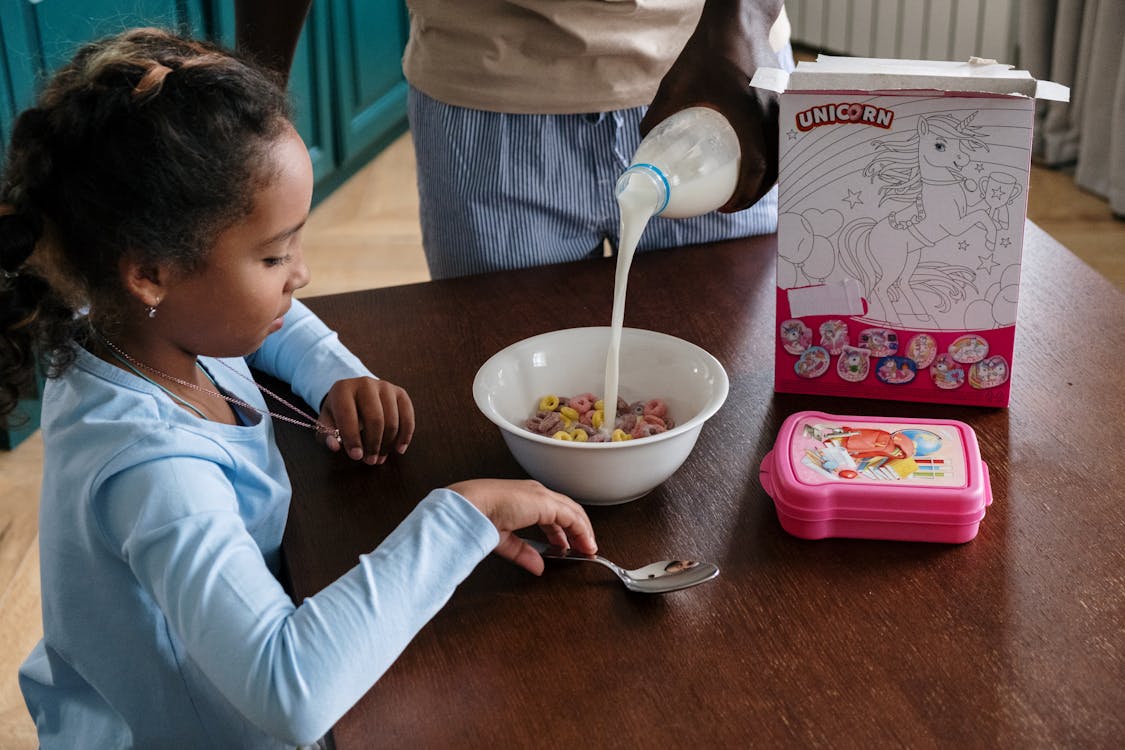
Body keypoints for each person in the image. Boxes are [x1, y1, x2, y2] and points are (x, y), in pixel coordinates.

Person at [0, 28, 596, 749]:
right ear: (151, 271)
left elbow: (271, 316)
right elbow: (291, 690)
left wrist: (332, 370)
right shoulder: (155, 473)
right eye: (275, 253)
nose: (301, 274)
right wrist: (461, 514)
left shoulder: (127, 319)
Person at [235, 0, 794, 279]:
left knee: (726, 388)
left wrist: (741, 14)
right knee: (510, 399)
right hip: (485, 101)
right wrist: (253, 106)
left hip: (711, 85)